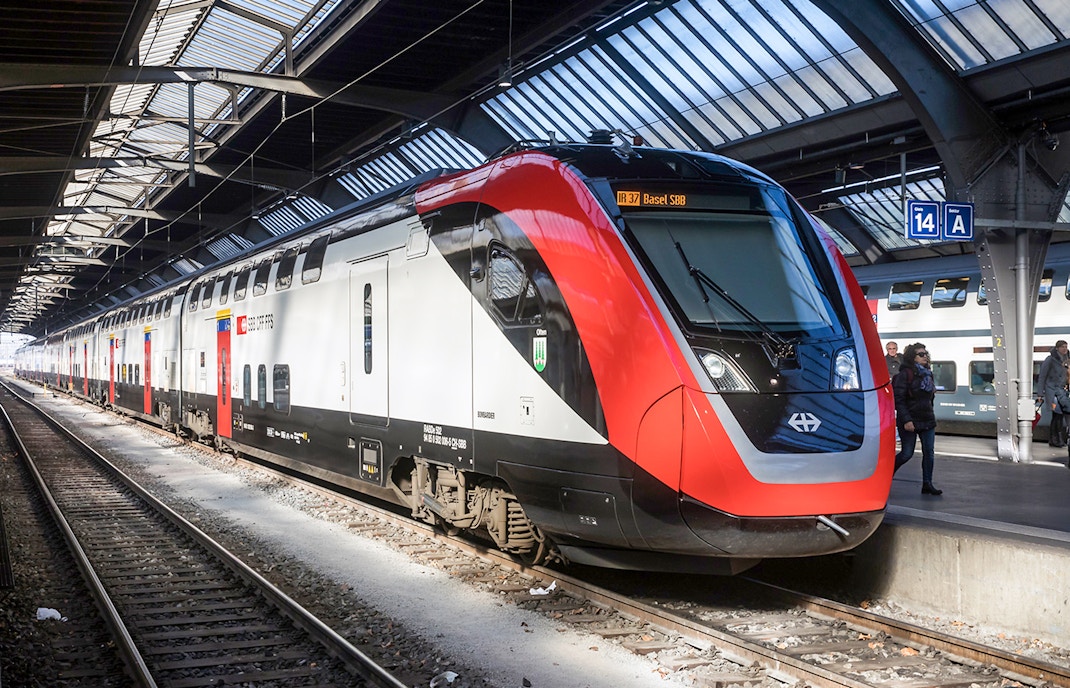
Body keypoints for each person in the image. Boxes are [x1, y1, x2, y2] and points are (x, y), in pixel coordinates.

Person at [893, 342, 941, 495]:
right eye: (921, 354)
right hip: (910, 420)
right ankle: (886, 476)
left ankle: (927, 483)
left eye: (926, 353)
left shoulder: (928, 374)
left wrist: (930, 412)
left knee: (929, 452)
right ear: (912, 358)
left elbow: (930, 398)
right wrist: (907, 420)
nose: (925, 356)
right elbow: (898, 399)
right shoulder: (904, 375)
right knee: (907, 453)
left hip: (927, 419)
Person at [1037, 340, 1069, 448]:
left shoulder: (1067, 359)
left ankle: (1054, 439)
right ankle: (1057, 439)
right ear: (1057, 348)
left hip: (1062, 392)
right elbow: (1042, 376)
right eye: (1062, 347)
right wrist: (1040, 393)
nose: (1065, 349)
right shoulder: (1050, 360)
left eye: (1066, 346)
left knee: (1059, 416)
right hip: (1052, 392)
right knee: (1057, 414)